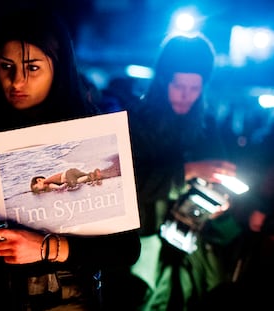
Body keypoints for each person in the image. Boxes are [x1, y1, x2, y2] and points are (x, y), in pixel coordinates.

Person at [0, 7, 141, 311]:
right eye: (5, 66)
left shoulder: (93, 136)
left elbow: (125, 249)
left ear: (59, 67)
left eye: (33, 68)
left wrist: (46, 247)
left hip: (69, 302)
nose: (17, 81)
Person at [127, 33, 239, 311]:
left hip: (193, 246)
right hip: (145, 243)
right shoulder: (136, 122)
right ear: (163, 81)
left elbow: (221, 174)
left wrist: (222, 200)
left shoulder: (206, 126)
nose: (186, 95)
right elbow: (130, 184)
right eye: (179, 85)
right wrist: (188, 170)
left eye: (194, 87)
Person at [31, 167, 102, 193]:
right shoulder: (50, 182)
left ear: (39, 180)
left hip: (68, 175)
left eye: (37, 188)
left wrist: (65, 185)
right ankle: (93, 174)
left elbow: (59, 187)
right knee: (81, 178)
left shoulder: (47, 181)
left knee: (73, 184)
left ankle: (91, 176)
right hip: (72, 172)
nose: (39, 190)